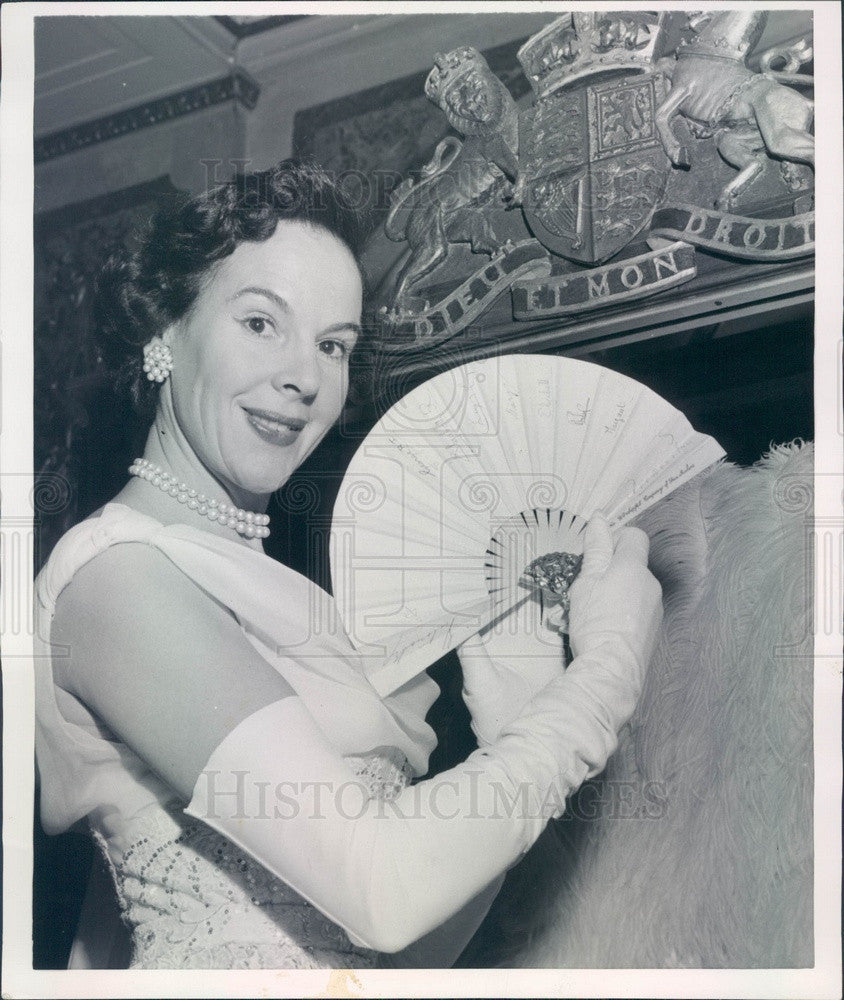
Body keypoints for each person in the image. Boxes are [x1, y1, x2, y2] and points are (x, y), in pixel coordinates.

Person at [34, 160, 663, 970]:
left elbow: (409, 946)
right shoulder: (115, 579)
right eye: (261, 323)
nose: (304, 376)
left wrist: (519, 722)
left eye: (334, 345)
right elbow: (382, 892)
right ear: (165, 332)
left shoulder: (301, 606)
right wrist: (605, 676)